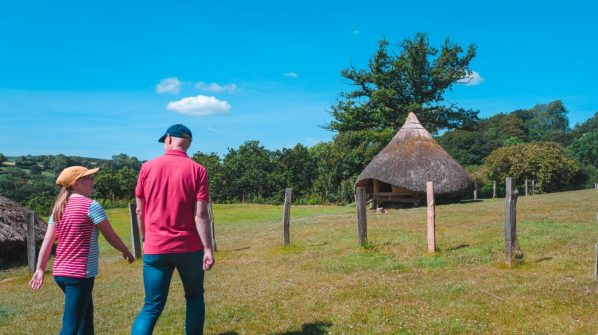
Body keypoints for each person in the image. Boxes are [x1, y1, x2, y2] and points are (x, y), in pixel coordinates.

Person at [29, 166, 135, 335]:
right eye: (88, 178)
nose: (92, 181)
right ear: (76, 183)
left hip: (61, 273)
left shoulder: (59, 208)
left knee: (85, 316)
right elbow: (111, 236)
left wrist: (40, 268)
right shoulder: (91, 206)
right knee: (71, 325)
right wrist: (126, 251)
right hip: (79, 275)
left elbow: (48, 241)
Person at [131, 124, 214, 335]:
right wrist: (208, 249)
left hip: (155, 248)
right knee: (194, 298)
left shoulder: (147, 168)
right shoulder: (198, 170)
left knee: (151, 306)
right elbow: (200, 214)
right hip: (189, 248)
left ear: (168, 139)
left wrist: (145, 238)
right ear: (188, 143)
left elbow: (140, 211)